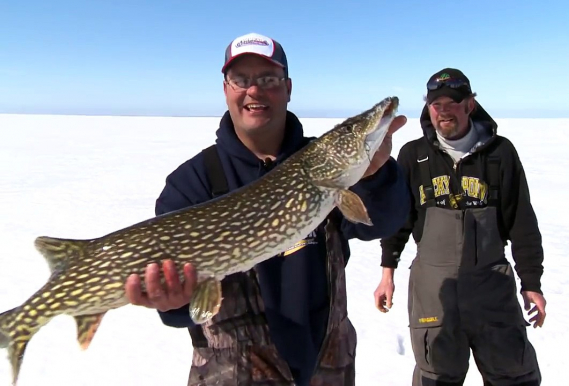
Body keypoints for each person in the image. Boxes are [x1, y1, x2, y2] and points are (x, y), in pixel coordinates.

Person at [123, 32, 411, 386]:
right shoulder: (192, 182)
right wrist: (172, 303)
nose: (254, 91)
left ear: (288, 88)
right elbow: (183, 306)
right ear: (226, 88)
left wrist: (378, 174)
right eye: (241, 80)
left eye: (268, 80)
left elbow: (382, 221)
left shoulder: (322, 166)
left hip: (330, 366)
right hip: (232, 375)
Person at [373, 68, 547, 386]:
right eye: (436, 103)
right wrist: (387, 272)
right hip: (432, 289)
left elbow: (521, 221)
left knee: (513, 372)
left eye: (452, 102)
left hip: (491, 286)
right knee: (436, 374)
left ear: (470, 104)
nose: (444, 110)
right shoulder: (413, 155)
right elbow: (399, 219)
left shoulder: (500, 153)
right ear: (428, 108)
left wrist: (531, 283)